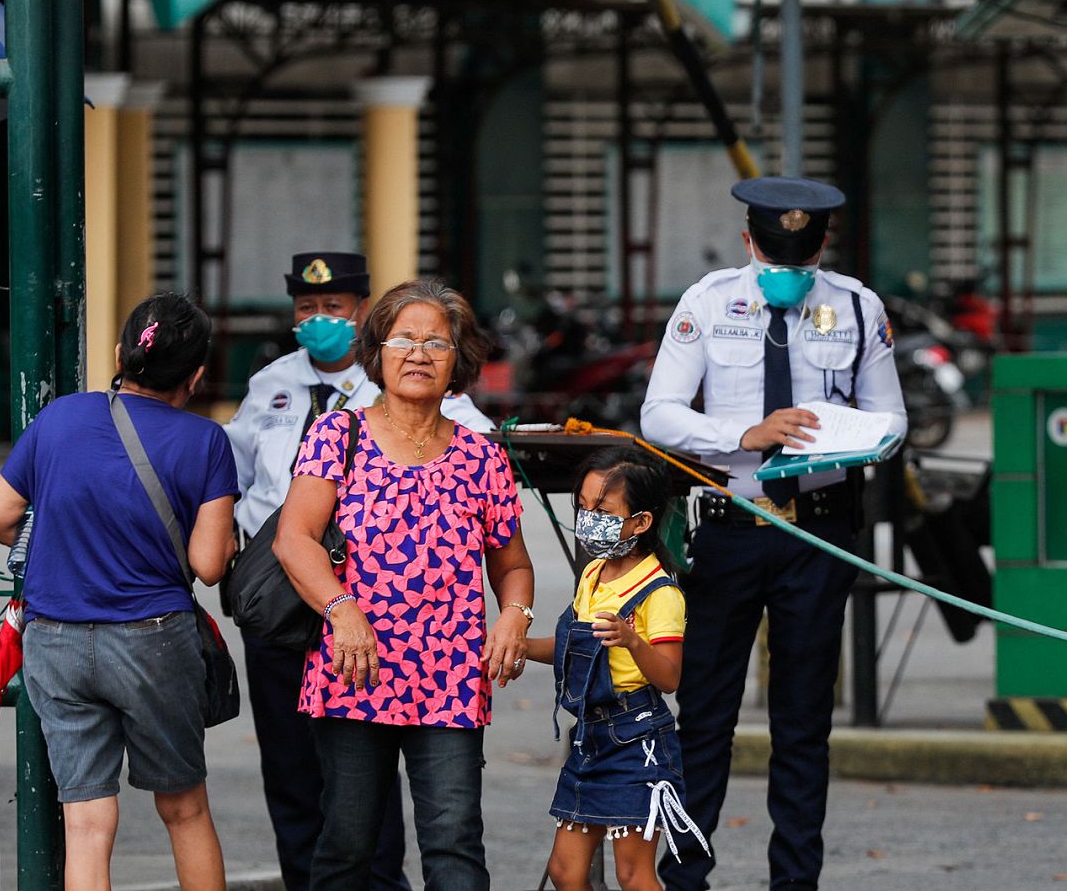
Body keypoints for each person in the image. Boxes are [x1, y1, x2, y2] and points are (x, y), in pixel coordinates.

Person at [641, 176, 907, 891]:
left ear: (823, 245)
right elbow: (659, 415)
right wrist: (744, 434)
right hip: (729, 528)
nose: (787, 272)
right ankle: (685, 879)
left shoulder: (857, 307)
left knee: (803, 722)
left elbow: (891, 419)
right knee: (704, 716)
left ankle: (795, 882)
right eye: (773, 259)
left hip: (818, 534)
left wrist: (847, 440)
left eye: (802, 259)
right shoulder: (707, 301)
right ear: (747, 241)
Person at [225, 252, 495, 891]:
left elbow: (495, 515)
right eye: (307, 308)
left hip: (425, 650)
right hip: (292, 607)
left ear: (360, 314)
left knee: (410, 819)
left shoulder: (436, 407)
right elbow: (237, 481)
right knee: (299, 775)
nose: (319, 319)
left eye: (333, 308)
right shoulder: (271, 385)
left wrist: (513, 612)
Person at [273, 278, 535, 890]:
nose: (419, 354)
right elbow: (294, 539)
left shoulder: (482, 457)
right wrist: (342, 608)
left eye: (436, 343)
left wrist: (515, 615)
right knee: (348, 843)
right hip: (355, 667)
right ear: (378, 352)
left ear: (457, 361)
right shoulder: (338, 435)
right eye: (404, 340)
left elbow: (513, 565)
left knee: (455, 842)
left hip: (451, 675)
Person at [0, 294, 239, 891]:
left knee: (87, 824)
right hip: (153, 642)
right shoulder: (206, 441)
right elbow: (207, 565)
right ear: (196, 377)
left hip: (55, 640)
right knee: (184, 809)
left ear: (121, 355)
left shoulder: (60, 418)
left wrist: (63, 539)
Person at [525, 446, 708, 891]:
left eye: (603, 511)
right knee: (565, 872)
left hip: (638, 741)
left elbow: (669, 677)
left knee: (633, 875)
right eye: (584, 507)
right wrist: (519, 648)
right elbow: (575, 647)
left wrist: (632, 641)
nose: (589, 519)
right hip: (590, 739)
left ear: (641, 522)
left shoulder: (660, 592)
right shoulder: (592, 574)